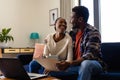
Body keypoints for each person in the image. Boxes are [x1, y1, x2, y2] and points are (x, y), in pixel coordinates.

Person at [56, 6, 105, 80]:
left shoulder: (93, 32)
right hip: (76, 65)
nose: (70, 21)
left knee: (86, 64)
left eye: (72, 18)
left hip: (94, 64)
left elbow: (90, 55)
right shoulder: (72, 33)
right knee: (50, 67)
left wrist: (70, 63)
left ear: (80, 19)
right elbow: (64, 51)